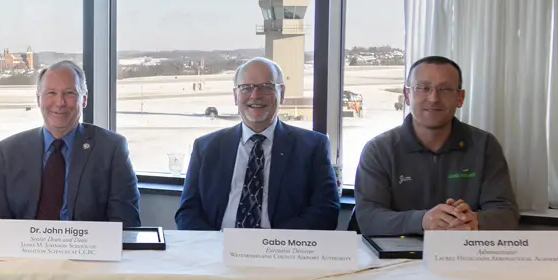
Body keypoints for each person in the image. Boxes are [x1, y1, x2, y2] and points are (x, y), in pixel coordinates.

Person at [355, 55, 519, 234]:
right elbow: (368, 218)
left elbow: (506, 213)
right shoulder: (379, 150)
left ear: (460, 98)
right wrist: (423, 220)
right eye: (423, 88)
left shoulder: (485, 146)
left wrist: (474, 221)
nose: (433, 98)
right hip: (396, 258)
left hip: (466, 253)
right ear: (407, 95)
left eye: (445, 89)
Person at [175, 58, 339, 231]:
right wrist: (215, 246)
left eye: (266, 87)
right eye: (246, 88)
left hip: (282, 252)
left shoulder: (312, 147)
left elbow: (326, 212)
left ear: (281, 93)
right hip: (216, 250)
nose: (255, 95)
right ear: (235, 95)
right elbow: (187, 212)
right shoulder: (206, 147)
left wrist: (269, 245)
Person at [0, 60, 141, 228]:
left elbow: (126, 225)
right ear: (38, 99)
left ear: (84, 100)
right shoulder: (9, 151)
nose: (60, 102)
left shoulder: (111, 149)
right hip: (23, 252)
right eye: (51, 93)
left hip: (88, 252)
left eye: (70, 93)